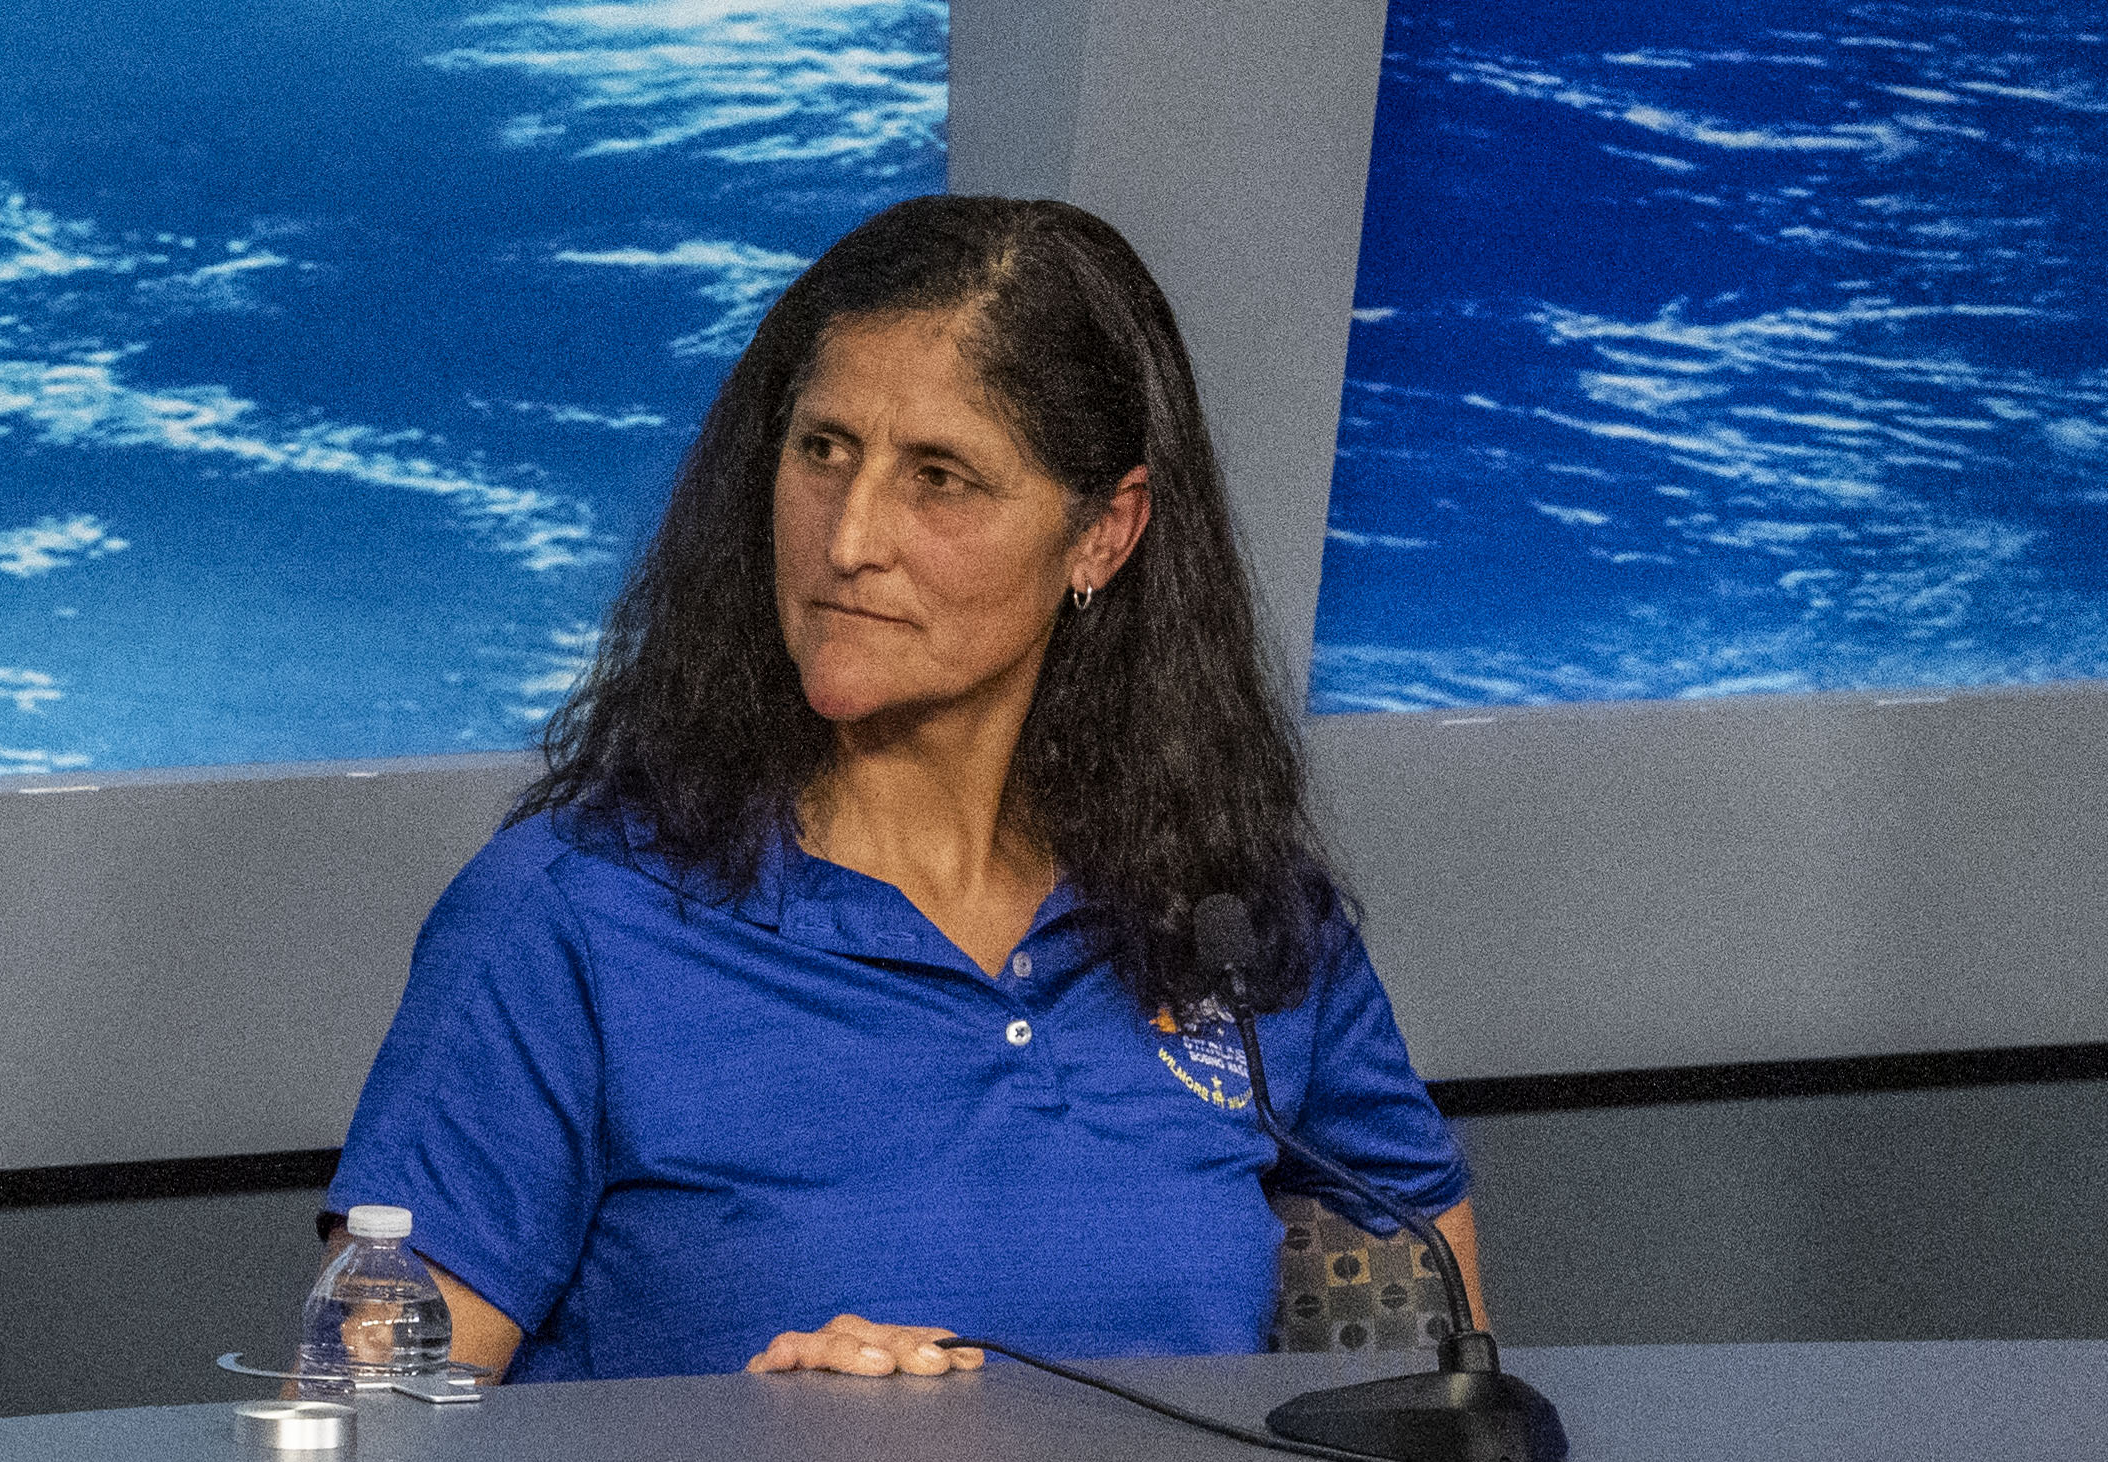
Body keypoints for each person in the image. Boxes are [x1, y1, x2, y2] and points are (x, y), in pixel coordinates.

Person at [328, 195, 1477, 1387]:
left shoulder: (1237, 918)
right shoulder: (563, 916)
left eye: (938, 477)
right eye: (822, 451)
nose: (847, 539)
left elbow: (1423, 1411)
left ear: (1103, 535)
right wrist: (726, 1447)